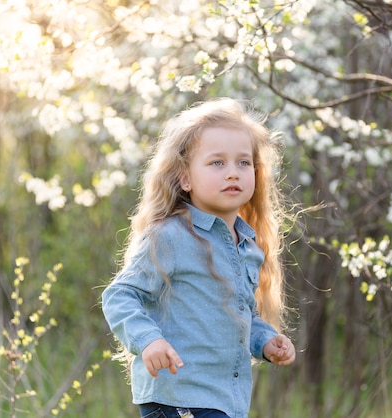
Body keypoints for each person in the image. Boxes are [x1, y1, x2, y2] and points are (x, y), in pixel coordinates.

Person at [101, 98, 296, 418]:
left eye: (243, 163)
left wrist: (265, 339)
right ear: (185, 178)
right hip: (179, 396)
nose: (233, 172)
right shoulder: (171, 236)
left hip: (223, 399)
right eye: (217, 163)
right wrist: (148, 340)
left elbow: (239, 312)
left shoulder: (247, 245)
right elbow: (120, 295)